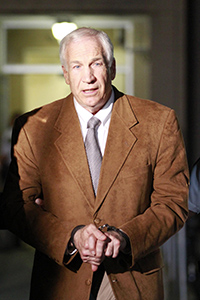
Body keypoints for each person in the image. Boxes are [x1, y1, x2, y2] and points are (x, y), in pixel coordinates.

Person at [0, 27, 189, 300]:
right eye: (77, 66)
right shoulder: (33, 128)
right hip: (62, 281)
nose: (87, 77)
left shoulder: (158, 122)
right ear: (65, 74)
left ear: (111, 68)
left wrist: (126, 237)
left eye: (96, 63)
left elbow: (173, 201)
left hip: (131, 279)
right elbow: (15, 206)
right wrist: (71, 237)